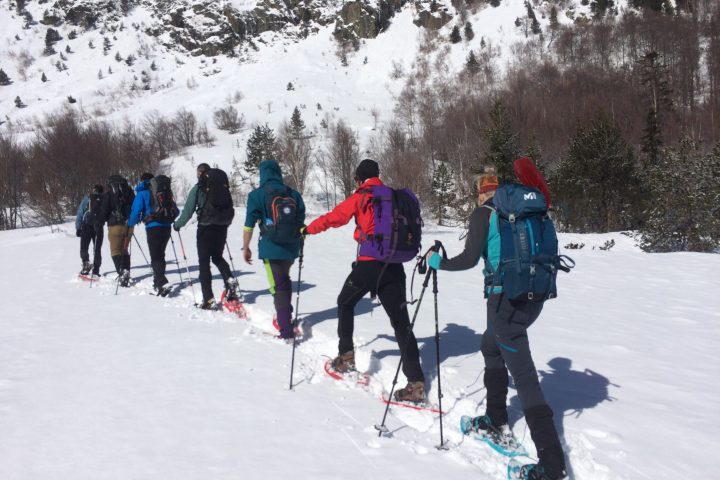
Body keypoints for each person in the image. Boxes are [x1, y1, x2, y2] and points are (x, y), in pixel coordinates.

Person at [426, 170, 566, 480]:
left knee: (525, 377)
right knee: (490, 346)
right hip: (534, 298)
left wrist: (439, 263)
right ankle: (495, 418)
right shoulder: (525, 213)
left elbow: (469, 259)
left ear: (480, 193)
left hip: (505, 302)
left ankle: (552, 466)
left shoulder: (485, 214)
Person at [303, 159, 426, 402]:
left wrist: (307, 230)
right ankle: (416, 384)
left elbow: (334, 218)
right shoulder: (392, 196)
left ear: (359, 178)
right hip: (394, 266)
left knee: (345, 302)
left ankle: (346, 358)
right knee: (402, 323)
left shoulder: (363, 195)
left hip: (369, 264)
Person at [242, 160, 305, 338]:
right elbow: (300, 220)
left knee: (277, 287)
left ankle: (285, 329)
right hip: (291, 247)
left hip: (271, 248)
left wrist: (246, 247)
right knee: (284, 281)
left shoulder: (256, 195)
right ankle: (285, 316)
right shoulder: (293, 193)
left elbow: (249, 225)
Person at [174, 163, 239, 310]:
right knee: (217, 257)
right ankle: (229, 279)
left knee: (204, 263)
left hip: (205, 227)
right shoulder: (222, 187)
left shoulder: (198, 189)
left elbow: (188, 211)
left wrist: (178, 224)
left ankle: (208, 298)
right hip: (222, 226)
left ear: (200, 173)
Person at [127, 172, 178, 296]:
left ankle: (162, 282)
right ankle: (157, 282)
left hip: (153, 227)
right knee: (160, 255)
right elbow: (176, 211)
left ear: (142, 181)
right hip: (166, 227)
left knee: (155, 256)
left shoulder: (142, 193)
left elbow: (135, 211)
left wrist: (130, 223)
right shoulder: (163, 191)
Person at [100, 174, 135, 287]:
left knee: (115, 251)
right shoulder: (129, 191)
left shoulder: (109, 194)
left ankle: (122, 273)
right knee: (124, 250)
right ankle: (126, 272)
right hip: (128, 225)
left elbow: (104, 211)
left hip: (115, 226)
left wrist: (100, 221)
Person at [75, 184, 105, 277]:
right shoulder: (104, 199)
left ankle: (86, 264)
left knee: (84, 247)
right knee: (97, 249)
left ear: (93, 190)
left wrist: (78, 227)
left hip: (86, 226)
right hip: (98, 226)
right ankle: (96, 269)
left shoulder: (87, 198)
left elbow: (80, 213)